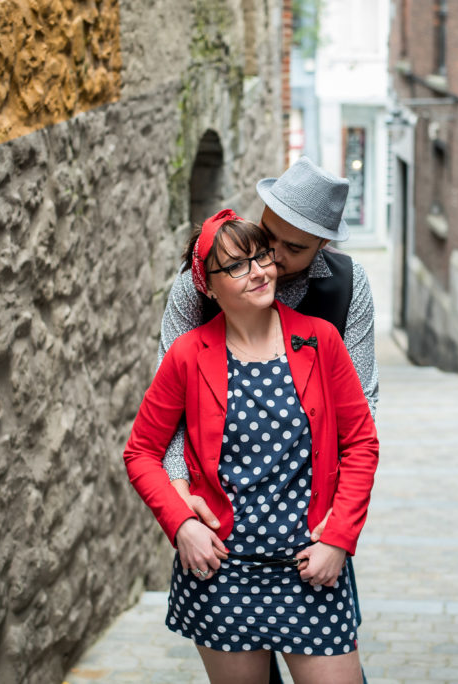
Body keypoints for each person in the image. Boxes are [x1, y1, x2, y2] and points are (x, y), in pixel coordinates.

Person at [123, 210, 378, 684]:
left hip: (311, 568)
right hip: (223, 576)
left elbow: (361, 442)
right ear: (208, 286)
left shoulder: (320, 341)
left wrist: (339, 538)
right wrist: (181, 526)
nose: (260, 269)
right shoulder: (187, 356)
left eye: (260, 257)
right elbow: (140, 453)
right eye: (237, 266)